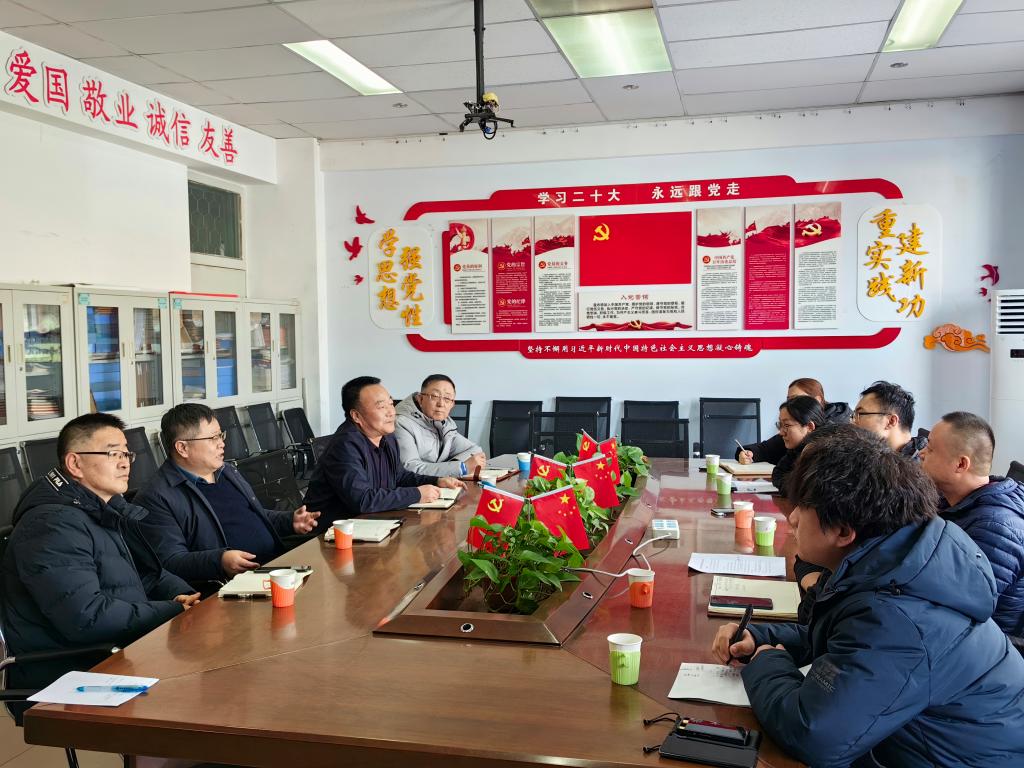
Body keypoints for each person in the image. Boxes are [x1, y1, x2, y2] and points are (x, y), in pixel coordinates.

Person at [711, 425, 1024, 767]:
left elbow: (814, 735)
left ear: (844, 531)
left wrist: (768, 663)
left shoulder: (898, 614)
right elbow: (854, 645)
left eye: (803, 507)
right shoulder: (892, 562)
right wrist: (762, 637)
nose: (793, 517)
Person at [0, 414, 198, 703]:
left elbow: (143, 572)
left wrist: (184, 595)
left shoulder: (101, 509)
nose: (125, 463)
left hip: (121, 649)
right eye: (113, 454)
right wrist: (171, 610)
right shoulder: (52, 525)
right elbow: (86, 617)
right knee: (199, 697)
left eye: (126, 454)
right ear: (74, 464)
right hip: (74, 670)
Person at [135, 404, 320, 593]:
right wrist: (220, 561)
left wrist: (289, 521)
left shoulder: (226, 471)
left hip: (277, 568)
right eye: (213, 438)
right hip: (233, 588)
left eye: (221, 435)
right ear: (182, 448)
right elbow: (169, 563)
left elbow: (253, 517)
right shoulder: (156, 497)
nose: (222, 443)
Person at [920, 411, 1024, 650]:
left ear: (961, 464)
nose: (922, 453)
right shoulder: (951, 501)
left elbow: (956, 610)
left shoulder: (995, 528)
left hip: (983, 648)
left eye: (931, 449)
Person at [304, 376, 463, 532]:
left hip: (372, 528)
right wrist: (417, 494)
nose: (391, 412)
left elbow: (399, 477)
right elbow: (362, 500)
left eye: (391, 404)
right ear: (356, 416)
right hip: (327, 535)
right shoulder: (345, 445)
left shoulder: (387, 436)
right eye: (381, 407)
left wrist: (436, 481)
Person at [736, 378, 850, 464]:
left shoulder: (838, 436)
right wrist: (748, 454)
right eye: (789, 400)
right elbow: (767, 449)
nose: (791, 405)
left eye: (797, 399)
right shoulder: (792, 430)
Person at [394, 374, 486, 477]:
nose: (441, 404)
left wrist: (453, 467)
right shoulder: (401, 423)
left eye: (447, 398)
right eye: (435, 396)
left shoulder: (445, 425)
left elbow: (475, 450)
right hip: (415, 486)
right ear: (420, 399)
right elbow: (409, 468)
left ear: (452, 404)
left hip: (439, 483)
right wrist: (461, 468)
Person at [851, 380, 927, 458]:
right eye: (853, 416)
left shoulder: (925, 463)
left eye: (860, 414)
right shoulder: (870, 458)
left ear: (891, 421)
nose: (852, 423)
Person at [770, 396, 824, 497]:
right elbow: (778, 474)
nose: (781, 432)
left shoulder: (827, 451)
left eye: (787, 425)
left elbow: (808, 490)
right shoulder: (797, 448)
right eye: (780, 425)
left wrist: (791, 486)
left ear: (809, 427)